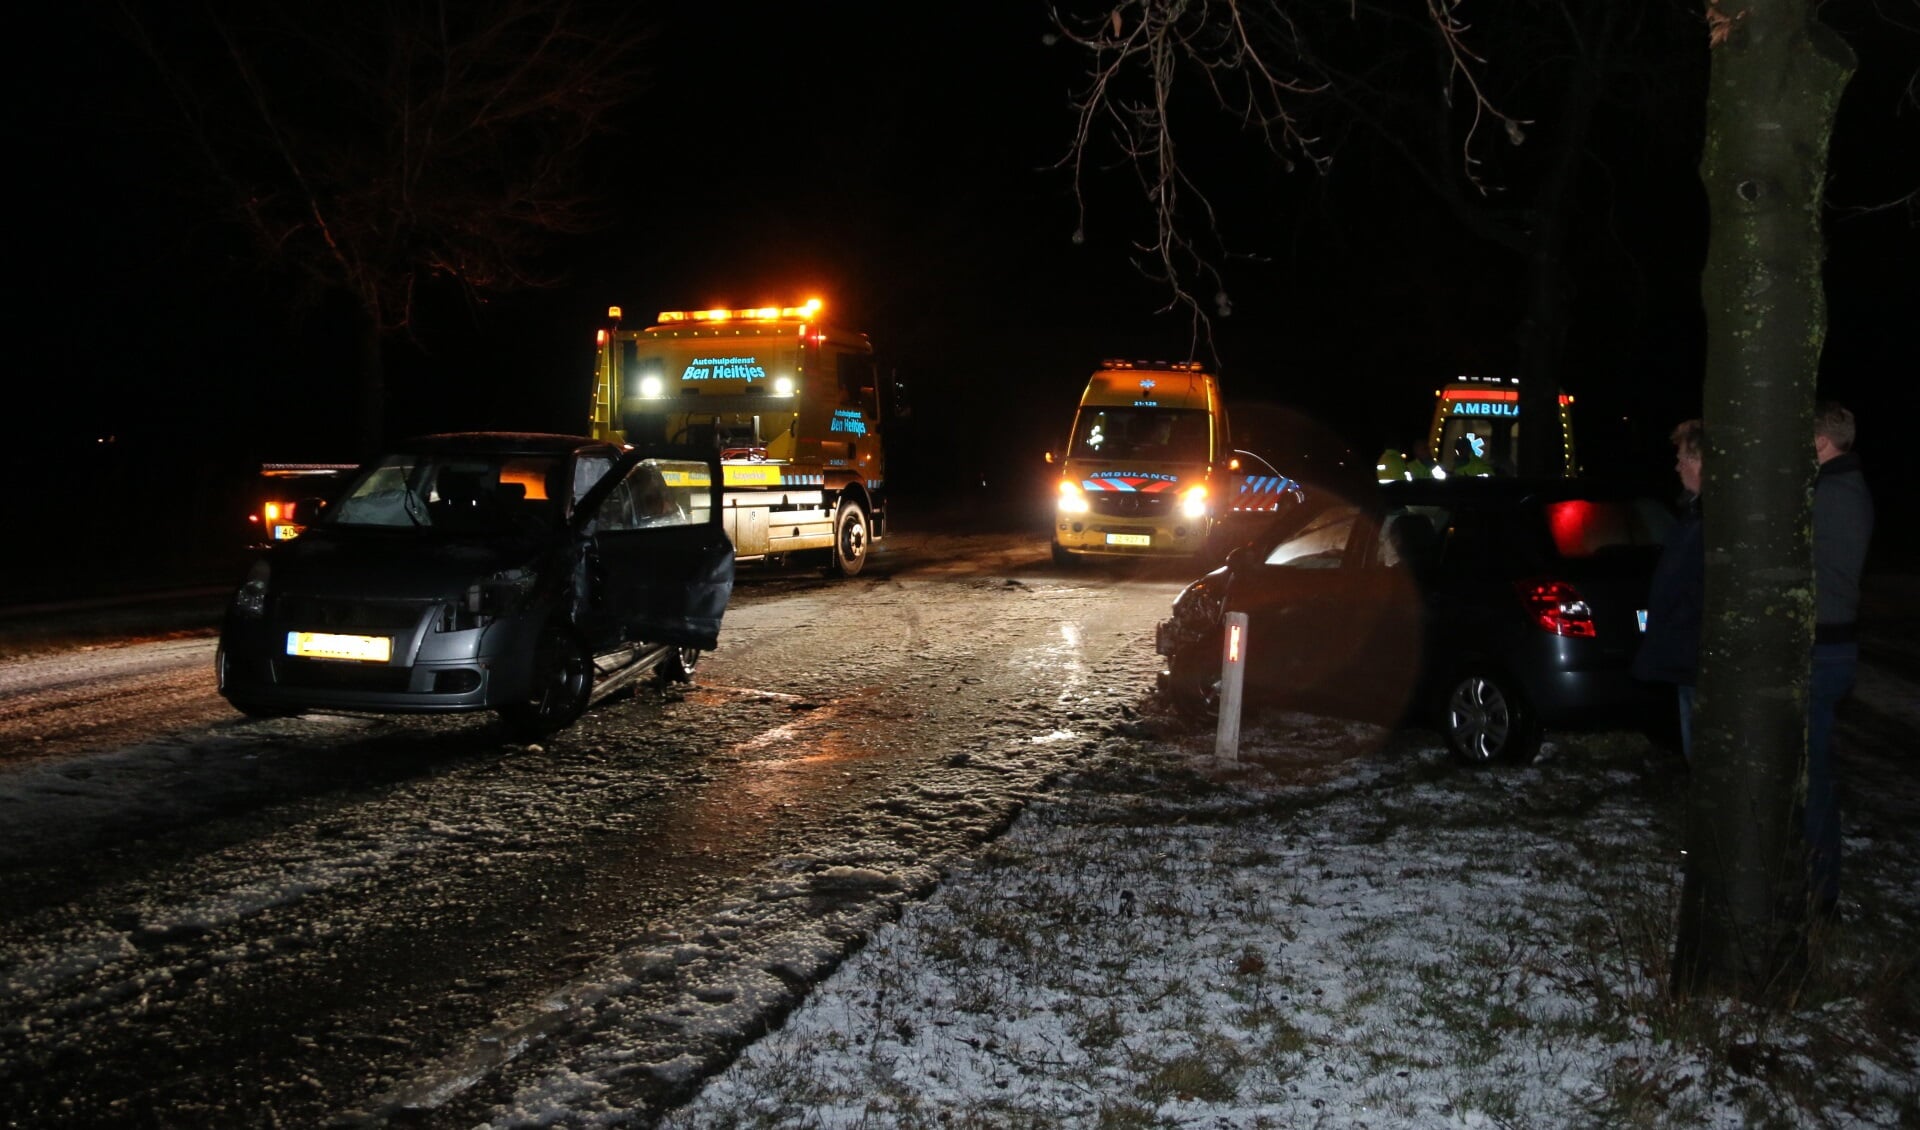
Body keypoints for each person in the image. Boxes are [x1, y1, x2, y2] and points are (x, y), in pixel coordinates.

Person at [1807, 401, 1873, 914]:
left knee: (1815, 774)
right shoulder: (1848, 489)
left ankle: (1821, 888)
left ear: (1823, 443)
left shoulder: (1831, 494)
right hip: (1833, 644)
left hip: (1825, 647)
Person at [1632, 419, 1705, 762]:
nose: (1677, 466)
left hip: (1696, 657)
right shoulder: (1692, 514)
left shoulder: (1708, 522)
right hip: (1686, 658)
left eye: (1683, 458)